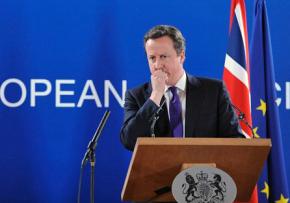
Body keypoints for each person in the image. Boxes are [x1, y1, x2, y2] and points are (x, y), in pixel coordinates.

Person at [120, 25, 244, 151]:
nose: (157, 65)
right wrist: (155, 96)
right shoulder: (136, 96)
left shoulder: (213, 91)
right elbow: (129, 141)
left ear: (182, 56)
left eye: (163, 56)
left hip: (203, 169)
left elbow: (235, 139)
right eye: (152, 58)